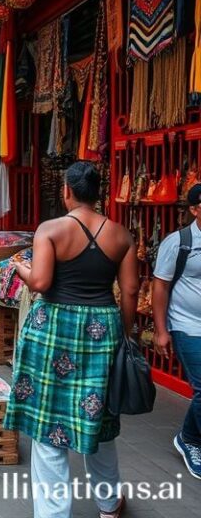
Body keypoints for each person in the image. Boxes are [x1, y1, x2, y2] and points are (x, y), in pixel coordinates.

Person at [4, 162, 137, 518]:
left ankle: (53, 513)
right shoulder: (122, 235)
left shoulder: (50, 229)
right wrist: (123, 335)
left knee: (48, 422)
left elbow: (41, 282)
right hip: (101, 331)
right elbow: (130, 291)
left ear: (67, 191)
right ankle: (109, 504)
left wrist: (19, 267)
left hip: (54, 328)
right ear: (97, 193)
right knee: (99, 419)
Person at [153, 183, 201, 479]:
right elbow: (160, 286)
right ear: (195, 210)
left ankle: (189, 437)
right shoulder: (179, 242)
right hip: (187, 325)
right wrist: (161, 330)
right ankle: (192, 440)